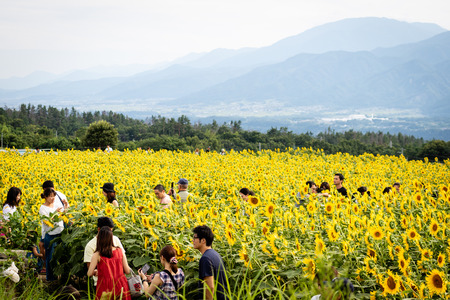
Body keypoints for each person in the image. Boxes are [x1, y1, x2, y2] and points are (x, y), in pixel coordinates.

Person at [88, 226, 131, 300]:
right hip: (121, 285)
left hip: (105, 287)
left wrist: (95, 272)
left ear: (99, 239)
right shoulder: (120, 251)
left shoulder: (97, 254)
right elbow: (127, 271)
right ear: (111, 238)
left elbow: (89, 274)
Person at [84, 217, 126, 289]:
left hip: (117, 281)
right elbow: (90, 267)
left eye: (111, 231)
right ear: (99, 229)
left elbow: (123, 258)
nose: (110, 234)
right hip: (101, 283)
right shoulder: (90, 245)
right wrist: (96, 271)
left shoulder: (115, 239)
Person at [193, 225, 229, 300]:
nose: (193, 240)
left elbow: (210, 287)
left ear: (203, 240)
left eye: (195, 238)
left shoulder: (205, 258)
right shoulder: (216, 255)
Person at [39, 188, 65, 281]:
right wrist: (55, 213)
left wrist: (65, 205)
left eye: (53, 196)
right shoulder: (42, 208)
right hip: (50, 234)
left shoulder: (56, 204)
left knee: (62, 255)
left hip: (60, 232)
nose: (52, 198)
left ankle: (62, 277)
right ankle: (50, 279)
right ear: (45, 197)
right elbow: (46, 221)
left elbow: (63, 215)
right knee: (50, 257)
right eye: (50, 196)